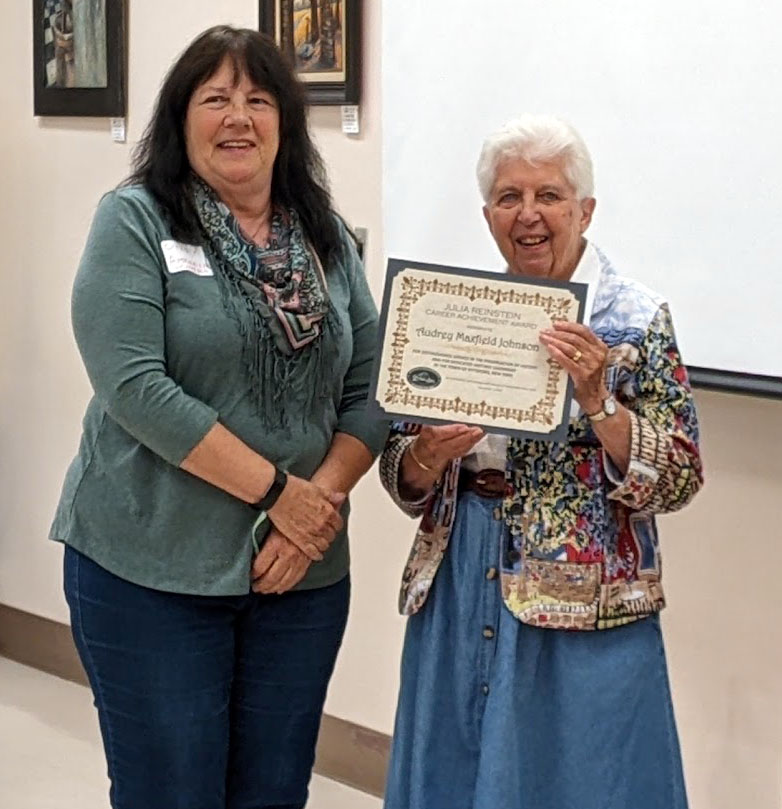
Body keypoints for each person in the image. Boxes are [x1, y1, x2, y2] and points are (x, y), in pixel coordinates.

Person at [49, 25, 387, 809]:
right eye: (215, 99)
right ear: (180, 119)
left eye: (258, 99)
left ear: (286, 125)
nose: (238, 116)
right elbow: (135, 386)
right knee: (173, 792)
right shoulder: (135, 221)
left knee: (273, 792)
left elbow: (371, 389)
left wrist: (316, 508)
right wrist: (282, 495)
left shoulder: (326, 237)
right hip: (148, 571)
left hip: (299, 575)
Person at [379, 115, 703, 809]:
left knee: (585, 779)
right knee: (457, 768)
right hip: (463, 572)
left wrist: (601, 405)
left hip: (588, 604)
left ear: (584, 210)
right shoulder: (455, 312)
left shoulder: (635, 319)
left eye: (549, 196)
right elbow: (399, 469)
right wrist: (427, 456)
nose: (528, 214)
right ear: (488, 213)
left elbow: (679, 475)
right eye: (508, 197)